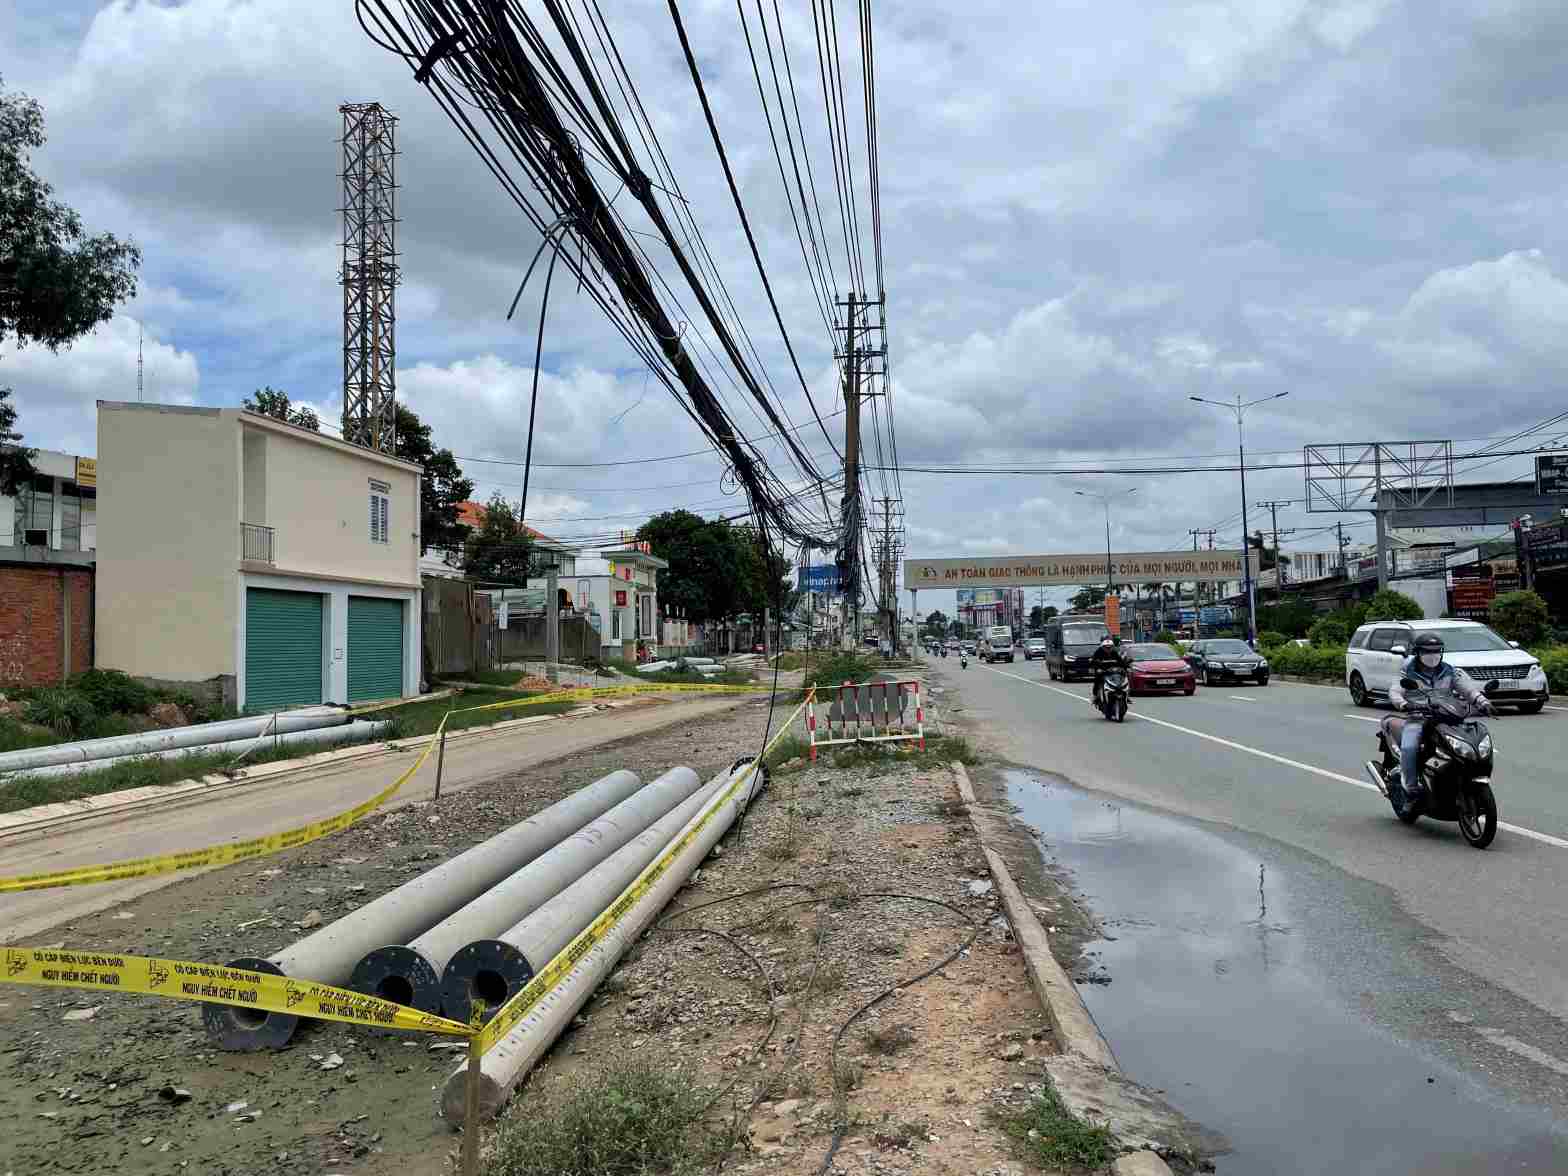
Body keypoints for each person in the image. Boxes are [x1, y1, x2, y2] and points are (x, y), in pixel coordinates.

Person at [1385, 632, 1487, 802]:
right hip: (1418, 718)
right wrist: (1404, 704)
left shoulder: (1449, 671)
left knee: (1468, 744)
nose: (1432, 656)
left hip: (1447, 718)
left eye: (1437, 651)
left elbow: (1467, 689)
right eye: (1427, 652)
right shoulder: (1407, 672)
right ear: (1418, 653)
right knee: (1410, 748)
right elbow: (1395, 691)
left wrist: (1482, 702)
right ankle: (1410, 787)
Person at [1089, 635, 1130, 709]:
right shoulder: (1098, 652)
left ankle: (1126, 696)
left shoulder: (1114, 652)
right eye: (1106, 647)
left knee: (1124, 677)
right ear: (1102, 646)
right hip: (1103, 671)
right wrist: (1096, 666)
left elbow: (1120, 661)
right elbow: (1093, 660)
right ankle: (1095, 696)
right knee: (1097, 680)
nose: (1108, 648)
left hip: (1113, 671)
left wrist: (1126, 666)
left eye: (1110, 647)